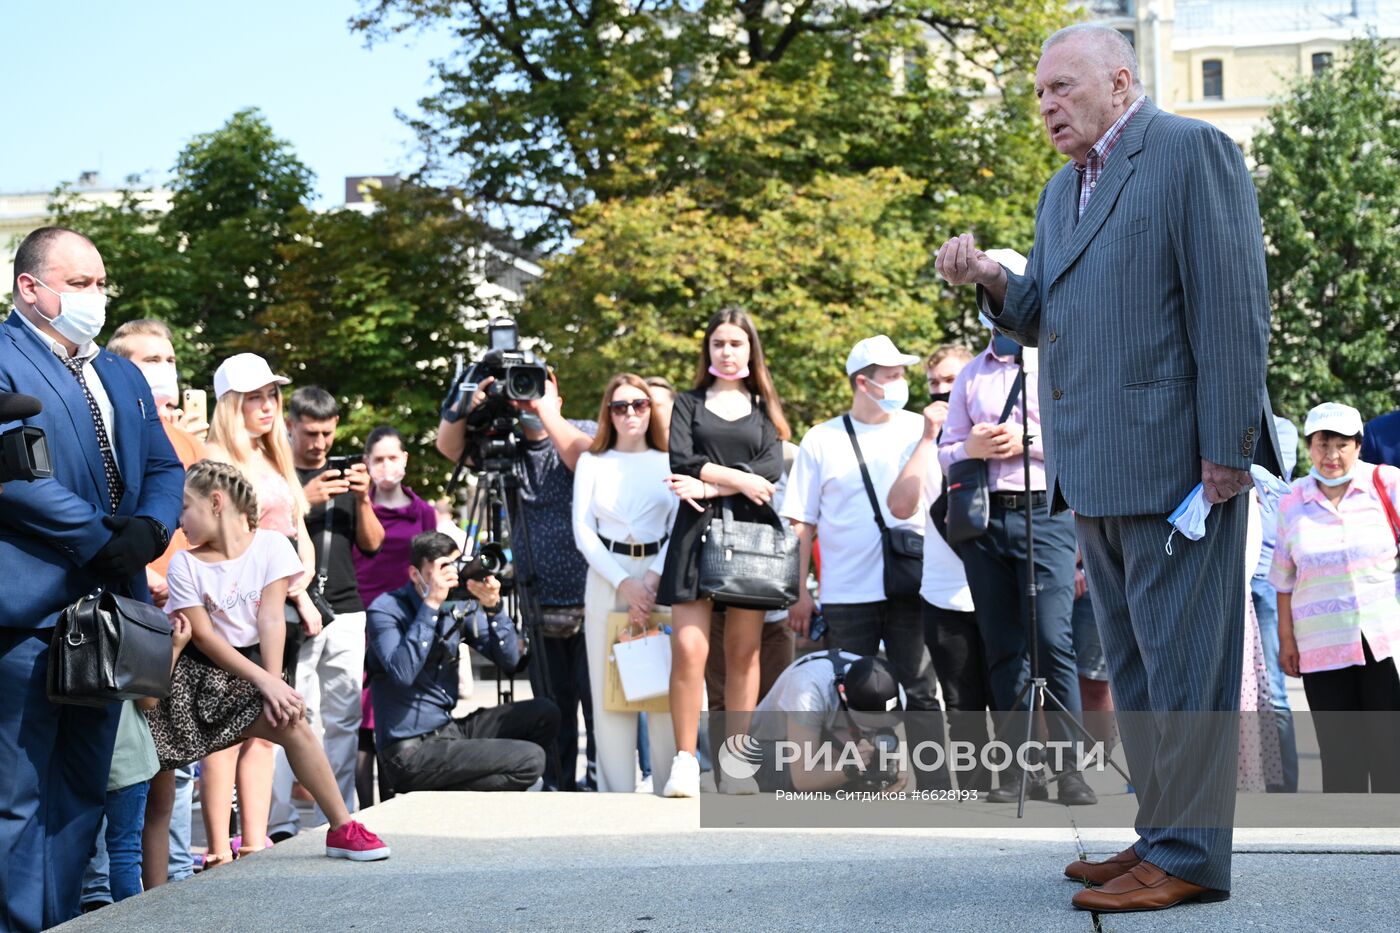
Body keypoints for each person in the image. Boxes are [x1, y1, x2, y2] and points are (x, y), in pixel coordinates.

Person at [936, 24, 1283, 912]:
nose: (1047, 105)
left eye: (1062, 87)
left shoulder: (1191, 151)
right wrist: (985, 277)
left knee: (1188, 667)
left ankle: (1192, 856)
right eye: (1039, 93)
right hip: (1092, 466)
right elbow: (1037, 312)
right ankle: (1164, 829)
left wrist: (1227, 449)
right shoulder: (1063, 191)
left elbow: (1233, 303)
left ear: (1121, 81)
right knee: (1134, 669)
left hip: (1181, 466)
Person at [0, 227, 184, 931]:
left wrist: (151, 529)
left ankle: (62, 921)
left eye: (101, 283)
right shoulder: (4, 358)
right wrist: (100, 537)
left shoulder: (119, 371)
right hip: (29, 614)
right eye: (79, 284)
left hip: (109, 618)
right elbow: (16, 477)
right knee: (18, 797)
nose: (95, 297)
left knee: (82, 791)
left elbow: (165, 468)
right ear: (31, 289)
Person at [149, 460, 390, 864]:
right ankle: (204, 859)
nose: (178, 522)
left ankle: (342, 827)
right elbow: (205, 638)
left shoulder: (273, 545)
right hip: (194, 678)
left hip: (251, 667)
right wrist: (267, 683)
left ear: (216, 502)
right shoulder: (184, 564)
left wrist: (275, 682)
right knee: (159, 790)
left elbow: (271, 616)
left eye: (184, 508)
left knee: (290, 720)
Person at [782, 335, 946, 790]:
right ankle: (870, 779)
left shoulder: (920, 429)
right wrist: (799, 593)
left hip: (911, 584)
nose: (901, 383)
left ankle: (937, 786)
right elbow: (802, 523)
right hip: (845, 591)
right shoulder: (821, 438)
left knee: (917, 689)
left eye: (901, 373)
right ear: (863, 382)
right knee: (854, 692)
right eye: (891, 375)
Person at [937, 329, 1092, 805]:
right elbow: (947, 451)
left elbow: (1086, 433)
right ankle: (1018, 770)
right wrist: (971, 450)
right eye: (990, 297)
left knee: (1051, 641)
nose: (999, 308)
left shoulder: (1059, 361)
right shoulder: (970, 372)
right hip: (987, 521)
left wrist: (1031, 440)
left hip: (1046, 513)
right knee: (1003, 649)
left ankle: (1071, 771)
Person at [437, 371, 600, 792]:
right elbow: (448, 447)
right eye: (522, 390)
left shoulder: (583, 432)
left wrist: (543, 412)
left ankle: (603, 784)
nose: (528, 397)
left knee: (599, 707)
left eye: (539, 387)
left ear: (557, 393)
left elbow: (585, 459)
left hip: (592, 601)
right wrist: (464, 405)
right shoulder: (504, 448)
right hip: (537, 600)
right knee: (555, 709)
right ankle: (559, 787)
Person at [657, 307, 790, 797]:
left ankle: (736, 765)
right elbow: (682, 460)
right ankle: (686, 761)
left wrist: (710, 485)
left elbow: (770, 472)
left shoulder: (764, 407)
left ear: (750, 349)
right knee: (689, 649)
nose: (727, 352)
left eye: (736, 343)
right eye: (719, 344)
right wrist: (739, 479)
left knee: (743, 651)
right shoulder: (687, 403)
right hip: (695, 536)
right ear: (708, 350)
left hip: (751, 537)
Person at [204, 352, 321, 858]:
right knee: (226, 735)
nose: (268, 405)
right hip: (235, 616)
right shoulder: (214, 462)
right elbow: (221, 544)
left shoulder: (275, 458)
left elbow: (298, 530)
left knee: (268, 729)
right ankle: (216, 848)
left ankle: (253, 841)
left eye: (271, 394)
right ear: (230, 403)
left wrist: (300, 586)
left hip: (281, 613)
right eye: (254, 396)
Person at [105, 318, 205, 887]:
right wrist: (141, 570)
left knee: (176, 763)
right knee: (130, 778)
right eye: (150, 360)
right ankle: (128, 892)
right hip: (131, 620)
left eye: (169, 358)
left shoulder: (189, 443)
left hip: (183, 621)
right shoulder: (107, 427)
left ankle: (173, 879)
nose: (164, 370)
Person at [269, 387, 386, 841]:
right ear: (292, 425)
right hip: (293, 608)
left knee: (343, 720)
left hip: (346, 608)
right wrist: (305, 498)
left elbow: (373, 544)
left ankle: (334, 819)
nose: (320, 444)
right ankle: (278, 824)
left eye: (328, 434)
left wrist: (362, 499)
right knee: (289, 716)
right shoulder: (278, 476)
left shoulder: (345, 476)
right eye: (311, 433)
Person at [366, 532, 561, 793]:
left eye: (456, 565)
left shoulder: (456, 606)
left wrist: (494, 608)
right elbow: (402, 673)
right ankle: (446, 796)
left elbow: (512, 661)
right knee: (530, 759)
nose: (453, 575)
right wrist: (431, 604)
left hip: (448, 731)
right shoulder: (387, 609)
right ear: (415, 574)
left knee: (544, 712)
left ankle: (451, 791)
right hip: (408, 753)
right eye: (443, 567)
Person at [1271, 403, 1400, 792]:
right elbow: (1283, 579)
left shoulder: (1387, 483)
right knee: (1340, 756)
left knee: (1389, 751)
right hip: (1319, 645)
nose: (1331, 456)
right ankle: (1347, 846)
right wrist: (1287, 640)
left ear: (1359, 445)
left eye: (1341, 445)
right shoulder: (1292, 499)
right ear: (1309, 446)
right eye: (1321, 444)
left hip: (1382, 642)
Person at [888, 343, 993, 792]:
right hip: (942, 591)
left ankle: (1014, 778)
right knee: (959, 699)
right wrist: (929, 438)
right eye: (934, 384)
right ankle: (973, 782)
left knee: (1005, 692)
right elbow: (900, 506)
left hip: (994, 585)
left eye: (951, 381)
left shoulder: (993, 430)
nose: (942, 391)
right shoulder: (919, 443)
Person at [572, 374, 679, 792]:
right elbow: (584, 530)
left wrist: (652, 576)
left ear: (650, 409)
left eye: (639, 404)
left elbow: (678, 525)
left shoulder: (668, 459)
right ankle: (615, 793)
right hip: (606, 575)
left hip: (659, 575)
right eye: (620, 406)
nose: (630, 413)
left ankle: (669, 783)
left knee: (663, 690)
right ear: (608, 413)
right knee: (609, 691)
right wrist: (623, 582)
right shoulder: (592, 461)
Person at [749, 652, 909, 794]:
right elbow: (803, 779)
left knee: (856, 757)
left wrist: (890, 767)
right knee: (843, 759)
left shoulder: (892, 689)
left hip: (825, 742)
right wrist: (849, 769)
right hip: (764, 748)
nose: (876, 727)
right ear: (843, 695)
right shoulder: (807, 689)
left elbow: (879, 746)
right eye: (868, 724)